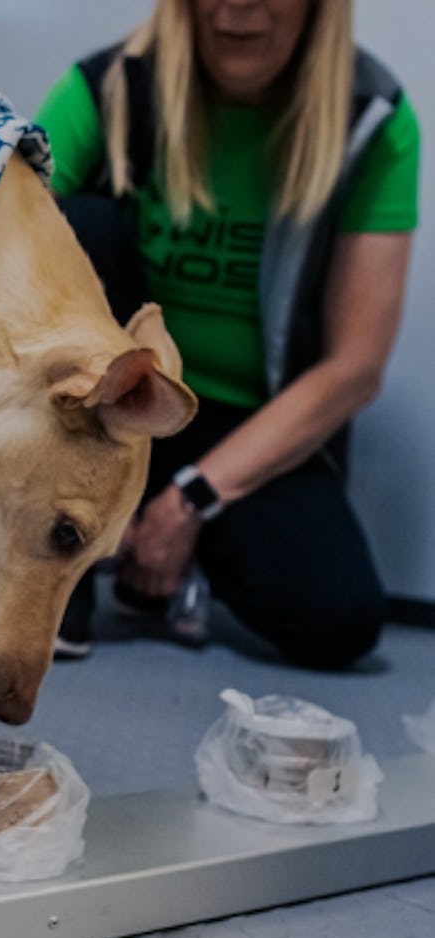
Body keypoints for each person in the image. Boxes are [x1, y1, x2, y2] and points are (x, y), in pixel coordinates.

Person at [34, 0, 419, 667]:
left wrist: (191, 499)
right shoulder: (109, 84)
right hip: (112, 407)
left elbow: (354, 367)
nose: (238, 9)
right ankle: (58, 568)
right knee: (75, 224)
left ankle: (167, 544)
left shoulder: (375, 119)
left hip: (245, 429)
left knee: (340, 619)